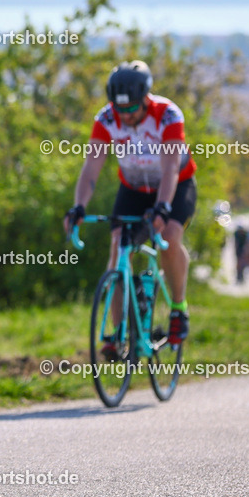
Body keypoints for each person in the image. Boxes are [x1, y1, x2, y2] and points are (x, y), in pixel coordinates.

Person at [64, 60, 195, 353]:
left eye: (131, 109)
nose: (125, 116)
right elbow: (92, 167)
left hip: (175, 185)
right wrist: (78, 207)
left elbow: (172, 167)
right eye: (119, 110)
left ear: (146, 99)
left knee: (170, 238)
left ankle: (178, 308)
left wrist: (162, 207)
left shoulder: (168, 114)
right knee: (117, 246)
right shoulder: (107, 118)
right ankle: (118, 333)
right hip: (134, 188)